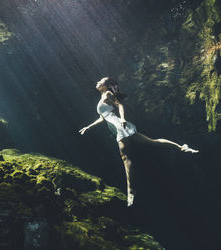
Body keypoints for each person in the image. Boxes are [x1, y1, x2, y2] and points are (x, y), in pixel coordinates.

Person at [79, 77, 198, 207]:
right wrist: (88, 127)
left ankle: (131, 190)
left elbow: (119, 105)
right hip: (117, 126)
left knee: (125, 157)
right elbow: (103, 118)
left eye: (100, 81)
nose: (97, 82)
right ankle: (181, 147)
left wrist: (123, 119)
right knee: (151, 142)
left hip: (119, 126)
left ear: (105, 85)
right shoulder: (103, 97)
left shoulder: (108, 93)